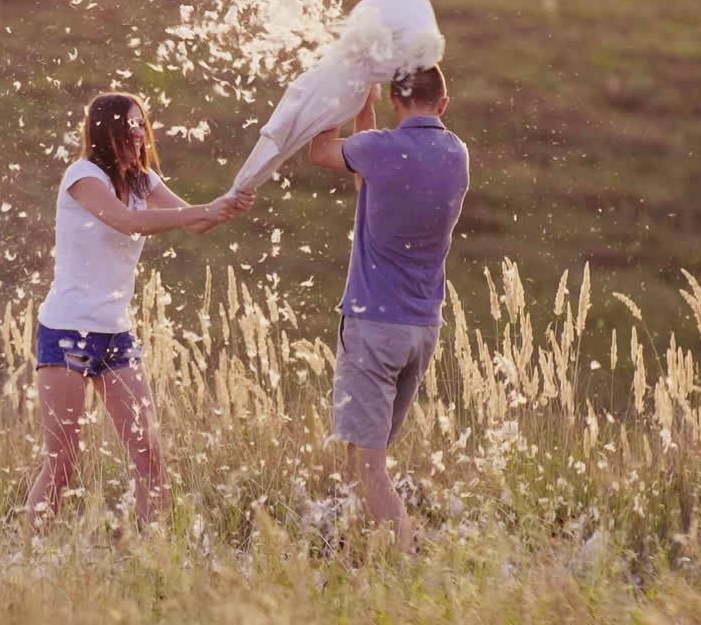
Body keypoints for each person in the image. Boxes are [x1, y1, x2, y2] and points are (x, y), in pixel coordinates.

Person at [27, 92, 255, 530]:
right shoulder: (82, 175)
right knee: (63, 462)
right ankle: (25, 557)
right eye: (129, 125)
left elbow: (196, 221)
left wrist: (228, 204)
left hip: (116, 335)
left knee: (149, 454)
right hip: (68, 332)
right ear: (105, 131)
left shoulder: (143, 181)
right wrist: (204, 210)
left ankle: (154, 560)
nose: (138, 132)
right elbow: (127, 221)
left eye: (141, 124)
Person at [305, 65, 469, 552]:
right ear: (443, 104)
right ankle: (365, 563)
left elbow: (319, 152)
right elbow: (370, 185)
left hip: (374, 328)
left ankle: (408, 562)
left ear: (396, 103)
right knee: (361, 462)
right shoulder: (457, 153)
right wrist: (366, 114)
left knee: (366, 470)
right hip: (421, 330)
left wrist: (340, 97)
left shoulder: (379, 148)